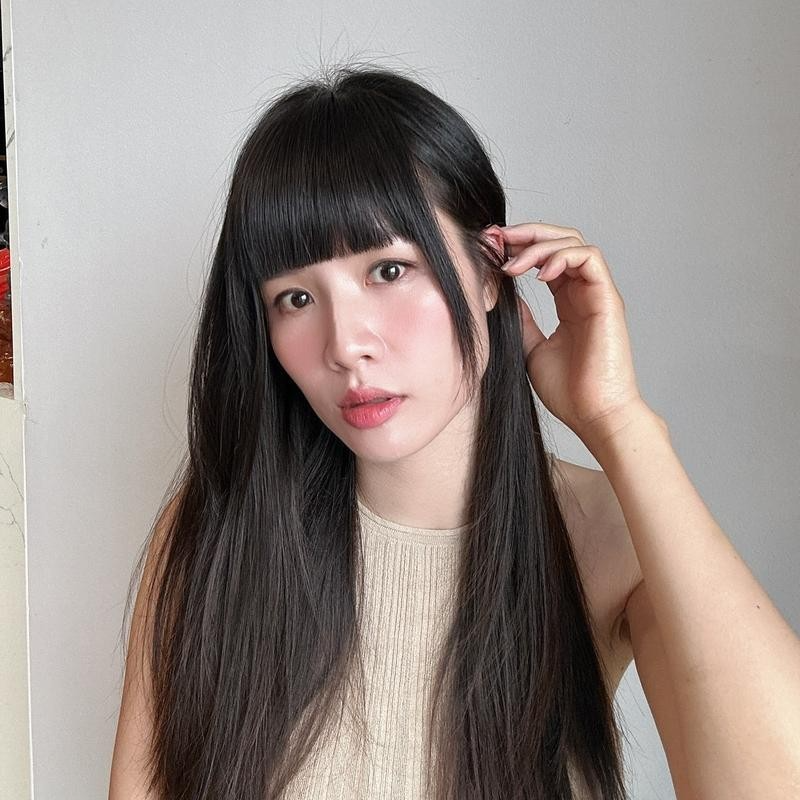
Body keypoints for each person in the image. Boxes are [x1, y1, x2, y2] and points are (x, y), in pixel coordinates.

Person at [108, 63, 800, 800]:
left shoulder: (606, 536)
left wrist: (621, 424)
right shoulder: (217, 533)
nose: (345, 344)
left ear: (491, 271)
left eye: (389, 270)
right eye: (296, 298)